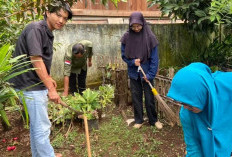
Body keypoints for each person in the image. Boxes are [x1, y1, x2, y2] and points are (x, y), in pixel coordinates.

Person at [9, 1, 72, 157]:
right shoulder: (36, 29)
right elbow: (36, 59)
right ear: (48, 12)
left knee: (36, 127)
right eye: (58, 15)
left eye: (65, 18)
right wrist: (51, 89)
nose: (61, 21)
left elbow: (41, 60)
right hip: (30, 85)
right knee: (42, 127)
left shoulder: (46, 31)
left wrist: (48, 79)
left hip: (33, 83)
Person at [167, 62, 232, 157]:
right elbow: (193, 147)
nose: (185, 107)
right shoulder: (186, 114)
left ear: (203, 94)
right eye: (182, 103)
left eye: (189, 104)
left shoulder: (227, 88)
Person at [120, 12, 162, 129]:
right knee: (136, 97)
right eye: (133, 26)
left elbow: (154, 58)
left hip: (147, 73)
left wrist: (150, 74)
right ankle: (139, 120)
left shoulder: (150, 37)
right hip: (134, 74)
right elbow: (124, 56)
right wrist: (132, 62)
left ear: (143, 23)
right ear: (130, 25)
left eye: (138, 26)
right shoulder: (127, 37)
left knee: (149, 98)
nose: (136, 28)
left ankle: (153, 120)